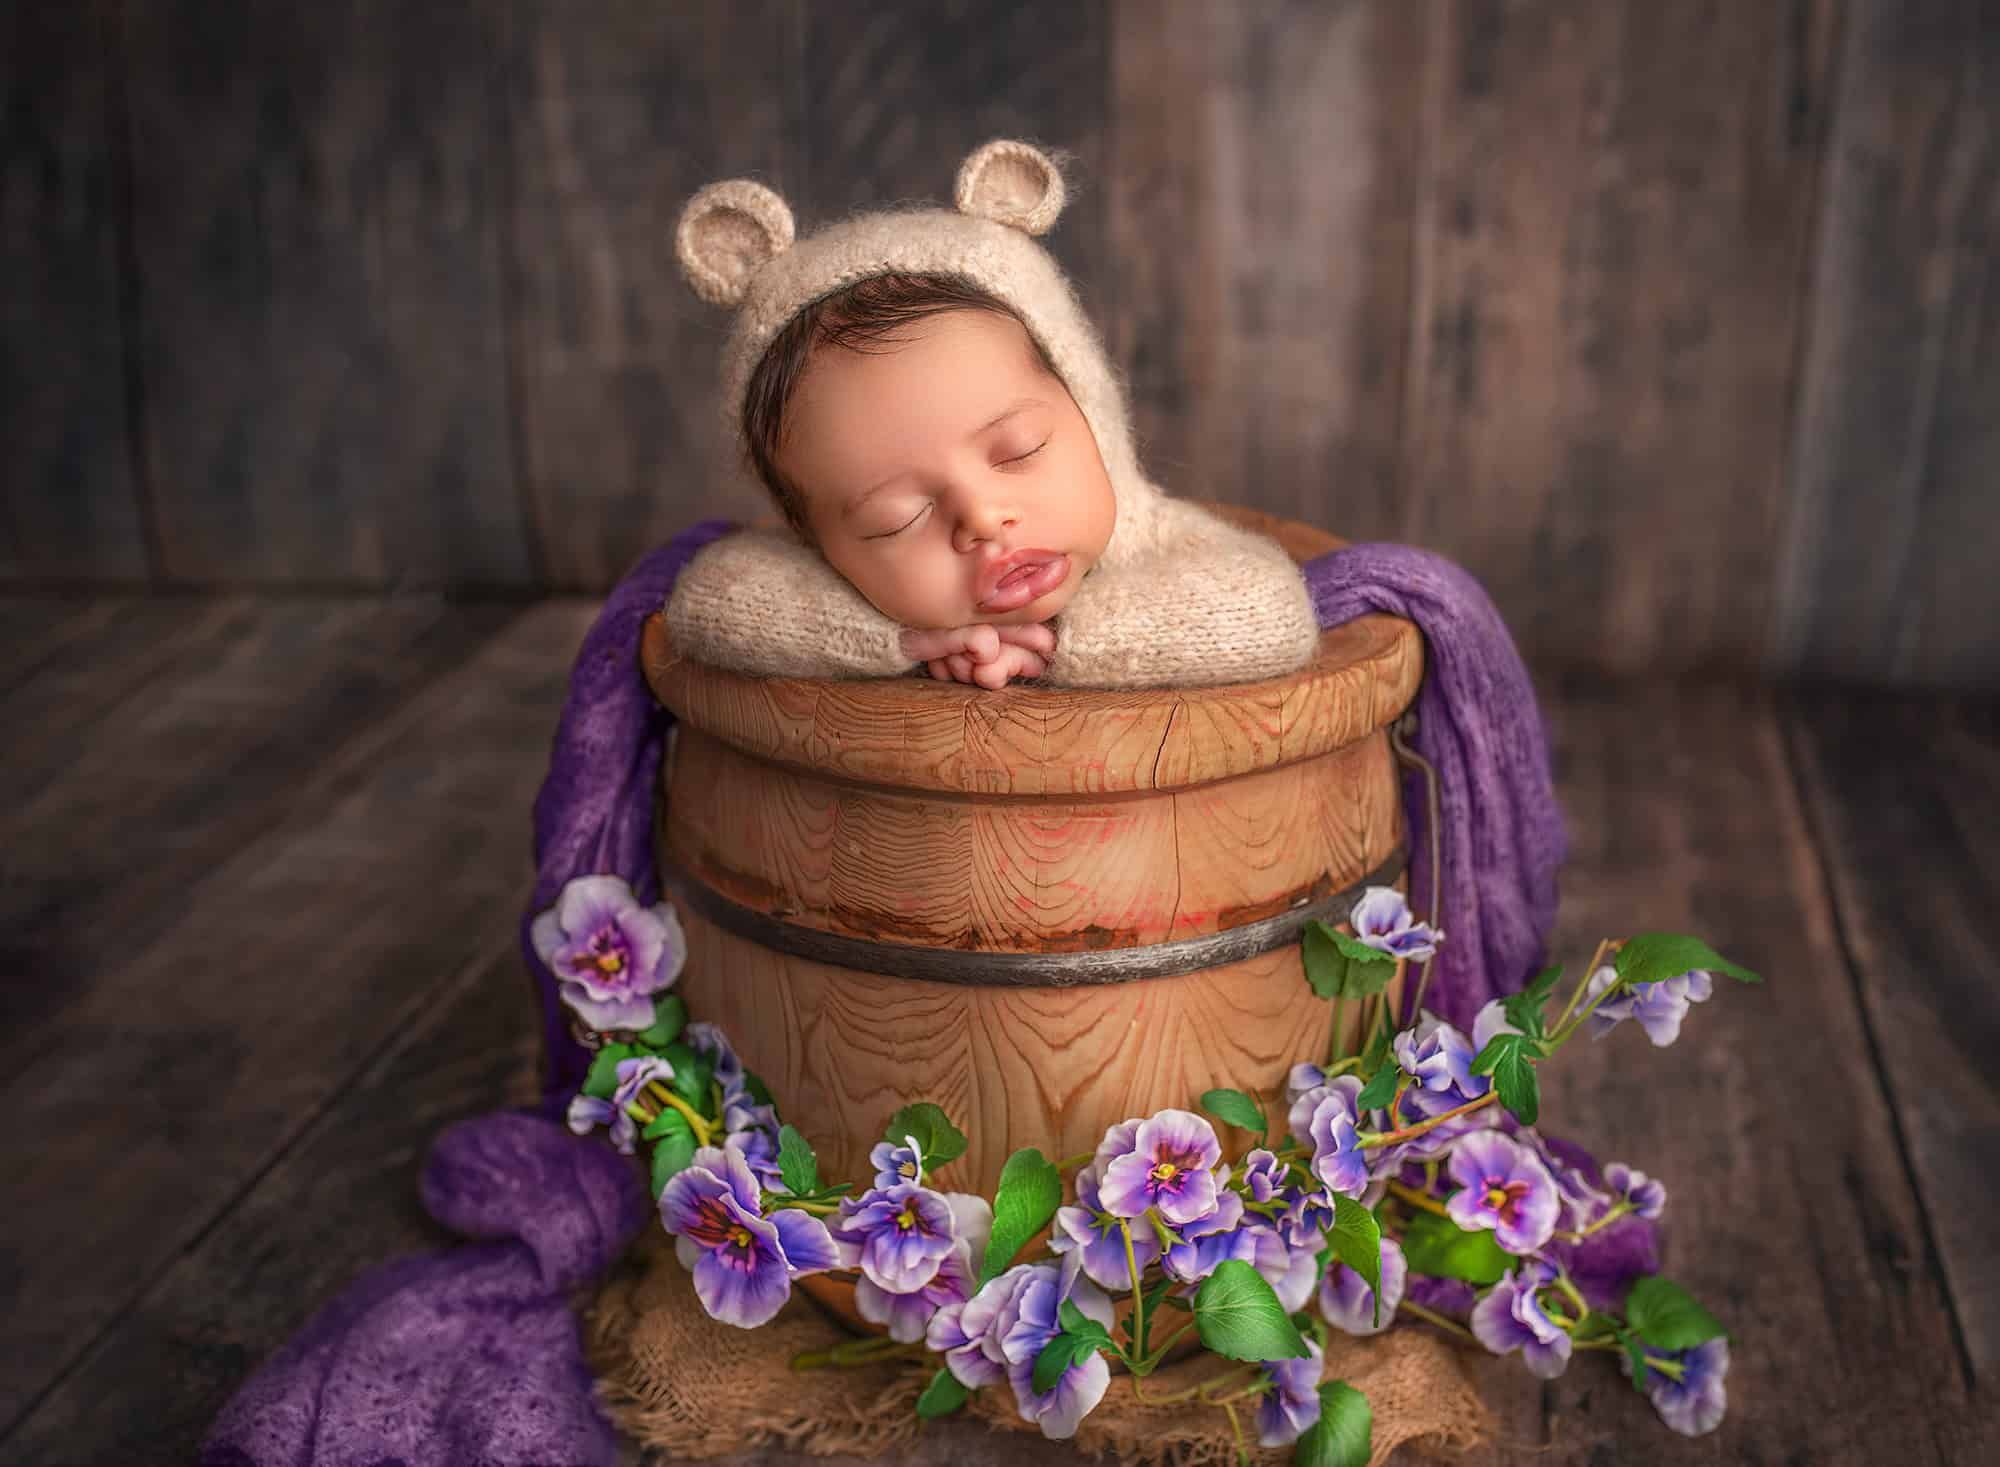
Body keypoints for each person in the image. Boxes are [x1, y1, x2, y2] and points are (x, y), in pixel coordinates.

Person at [664, 139, 1322, 690]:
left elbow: (1271, 608)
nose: (981, 519)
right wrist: (896, 638)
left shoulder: (1146, 533)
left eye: (1019, 450)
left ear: (1088, 410)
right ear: (818, 543)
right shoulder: (831, 581)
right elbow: (708, 604)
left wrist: (1059, 641)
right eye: (899, 517)